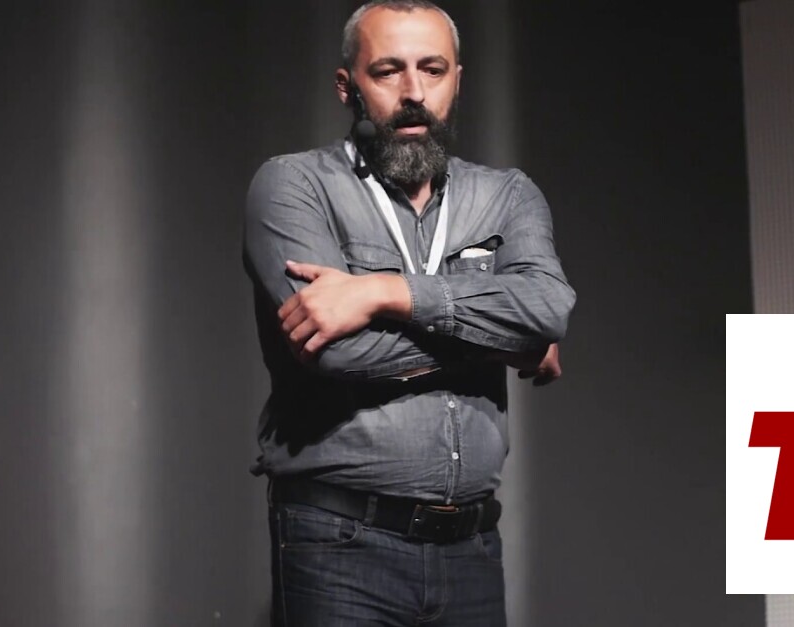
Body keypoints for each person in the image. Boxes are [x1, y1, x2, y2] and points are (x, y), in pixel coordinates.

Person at [242, 1, 576, 624]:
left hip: (472, 548)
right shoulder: (294, 186)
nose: (414, 92)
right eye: (388, 70)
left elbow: (548, 307)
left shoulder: (506, 195)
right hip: (338, 542)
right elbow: (337, 349)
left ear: (457, 80)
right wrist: (508, 337)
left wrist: (387, 294)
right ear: (347, 86)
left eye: (433, 69)